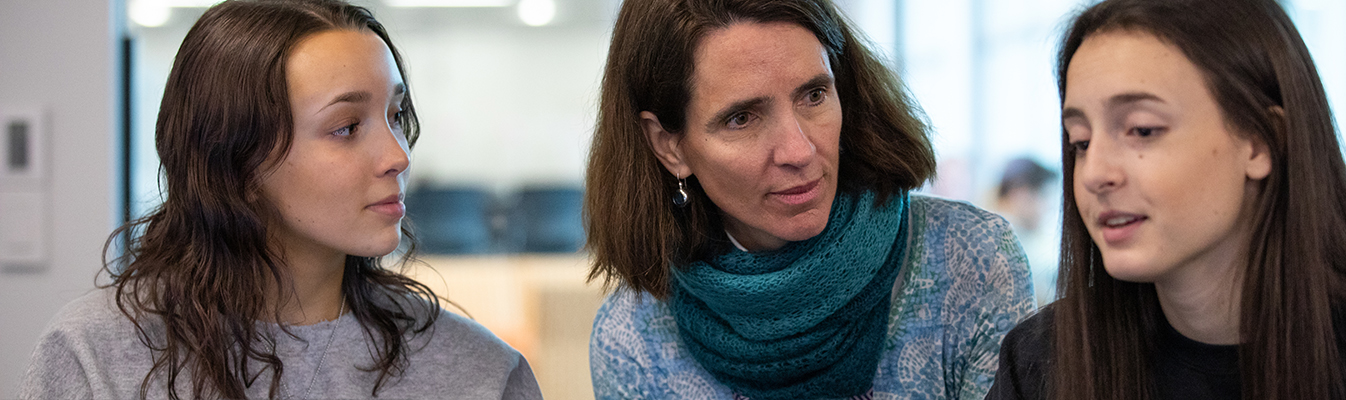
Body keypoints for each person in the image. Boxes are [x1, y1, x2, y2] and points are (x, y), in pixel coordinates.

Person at [17, 1, 541, 399]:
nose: (397, 155)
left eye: (396, 117)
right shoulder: (94, 357)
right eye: (347, 127)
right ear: (236, 159)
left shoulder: (480, 374)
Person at [585, 0, 1035, 399]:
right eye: (742, 119)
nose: (799, 151)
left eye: (814, 95)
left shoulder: (968, 259)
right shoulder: (634, 340)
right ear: (669, 145)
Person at [987, 0, 1346, 399]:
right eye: (1081, 141)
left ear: (1262, 142)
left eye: (1142, 130)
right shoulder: (1042, 360)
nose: (1095, 174)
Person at [991, 157, 1058, 306]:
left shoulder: (1018, 235)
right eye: (1045, 196)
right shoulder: (1005, 239)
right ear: (1022, 193)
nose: (1049, 207)